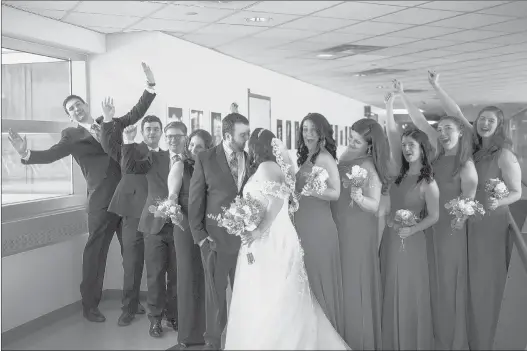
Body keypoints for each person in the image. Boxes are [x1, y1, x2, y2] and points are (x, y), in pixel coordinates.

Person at [6, 63, 156, 323]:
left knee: (132, 253)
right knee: (95, 254)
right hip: (100, 201)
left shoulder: (110, 123)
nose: (77, 109)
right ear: (70, 115)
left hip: (128, 198)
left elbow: (136, 112)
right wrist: (25, 154)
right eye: (71, 108)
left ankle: (131, 303)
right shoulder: (71, 135)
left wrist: (150, 86)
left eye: (79, 104)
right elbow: (52, 154)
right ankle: (90, 305)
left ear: (86, 105)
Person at [224, 128, 350, 350]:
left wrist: (257, 230)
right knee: (264, 292)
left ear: (256, 146)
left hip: (272, 237)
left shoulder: (267, 167)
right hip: (266, 236)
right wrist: (243, 218)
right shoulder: (267, 167)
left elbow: (278, 202)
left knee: (274, 293)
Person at [426, 71, 522, 350]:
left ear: (499, 125)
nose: (484, 123)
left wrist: (498, 202)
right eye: (481, 119)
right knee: (466, 280)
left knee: (484, 282)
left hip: (490, 222)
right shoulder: (472, 146)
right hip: (466, 218)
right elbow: (454, 111)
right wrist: (437, 86)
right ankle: (465, 334)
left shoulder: (505, 155)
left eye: (491, 120)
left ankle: (487, 337)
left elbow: (516, 192)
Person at [395, 77, 478, 350]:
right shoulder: (436, 158)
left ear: (460, 132)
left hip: (449, 233)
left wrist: (438, 89)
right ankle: (432, 336)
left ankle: (450, 340)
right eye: (440, 129)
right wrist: (402, 94)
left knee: (447, 286)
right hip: (428, 229)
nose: (442, 133)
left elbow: (468, 204)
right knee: (431, 284)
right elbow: (419, 122)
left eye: (448, 129)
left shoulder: (465, 166)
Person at [381, 93, 440, 350]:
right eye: (404, 145)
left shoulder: (429, 182)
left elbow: (435, 216)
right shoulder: (397, 177)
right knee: (392, 287)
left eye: (411, 146)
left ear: (422, 150)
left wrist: (412, 228)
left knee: (410, 291)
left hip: (413, 242)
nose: (406, 149)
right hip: (392, 241)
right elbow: (388, 207)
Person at [188, 113, 250, 350]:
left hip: (245, 239)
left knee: (245, 290)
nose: (248, 138)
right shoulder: (205, 158)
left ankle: (241, 337)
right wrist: (200, 236)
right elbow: (195, 199)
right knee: (215, 295)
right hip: (214, 239)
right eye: (243, 134)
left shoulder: (250, 156)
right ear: (227, 136)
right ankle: (212, 341)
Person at [100, 100, 162, 326]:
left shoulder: (166, 155)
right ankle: (129, 307)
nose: (152, 132)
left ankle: (160, 310)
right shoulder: (130, 150)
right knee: (132, 263)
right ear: (143, 132)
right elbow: (107, 146)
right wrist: (108, 120)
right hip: (133, 214)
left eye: (156, 129)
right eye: (148, 129)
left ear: (161, 133)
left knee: (156, 266)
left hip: (158, 215)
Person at [330, 118, 389, 350]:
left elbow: (375, 205)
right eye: (351, 137)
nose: (352, 143)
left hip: (356, 230)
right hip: (340, 223)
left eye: (357, 140)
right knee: (343, 281)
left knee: (354, 283)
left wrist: (359, 197)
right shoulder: (347, 155)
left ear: (370, 146)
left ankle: (357, 339)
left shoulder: (368, 166)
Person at [121, 121, 183, 338]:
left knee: (176, 275)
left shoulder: (191, 161)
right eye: (170, 136)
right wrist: (128, 141)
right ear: (165, 138)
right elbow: (129, 168)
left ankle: (173, 315)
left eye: (178, 136)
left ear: (184, 138)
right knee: (155, 274)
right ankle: (155, 319)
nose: (173, 140)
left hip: (180, 227)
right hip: (154, 224)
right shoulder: (153, 158)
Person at [294, 112, 344, 334]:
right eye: (305, 129)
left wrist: (312, 190)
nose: (308, 134)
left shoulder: (325, 158)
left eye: (313, 130)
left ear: (322, 133)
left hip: (319, 228)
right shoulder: (308, 156)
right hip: (303, 224)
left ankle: (325, 335)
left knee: (317, 278)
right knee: (307, 279)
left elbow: (335, 193)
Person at [167, 129, 214, 350]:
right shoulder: (180, 166)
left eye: (200, 146)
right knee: (187, 278)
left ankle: (208, 332)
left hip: (207, 230)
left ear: (208, 150)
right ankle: (186, 336)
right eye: (192, 145)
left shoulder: (212, 169)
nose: (194, 149)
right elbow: (172, 197)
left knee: (207, 278)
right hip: (184, 228)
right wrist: (174, 211)